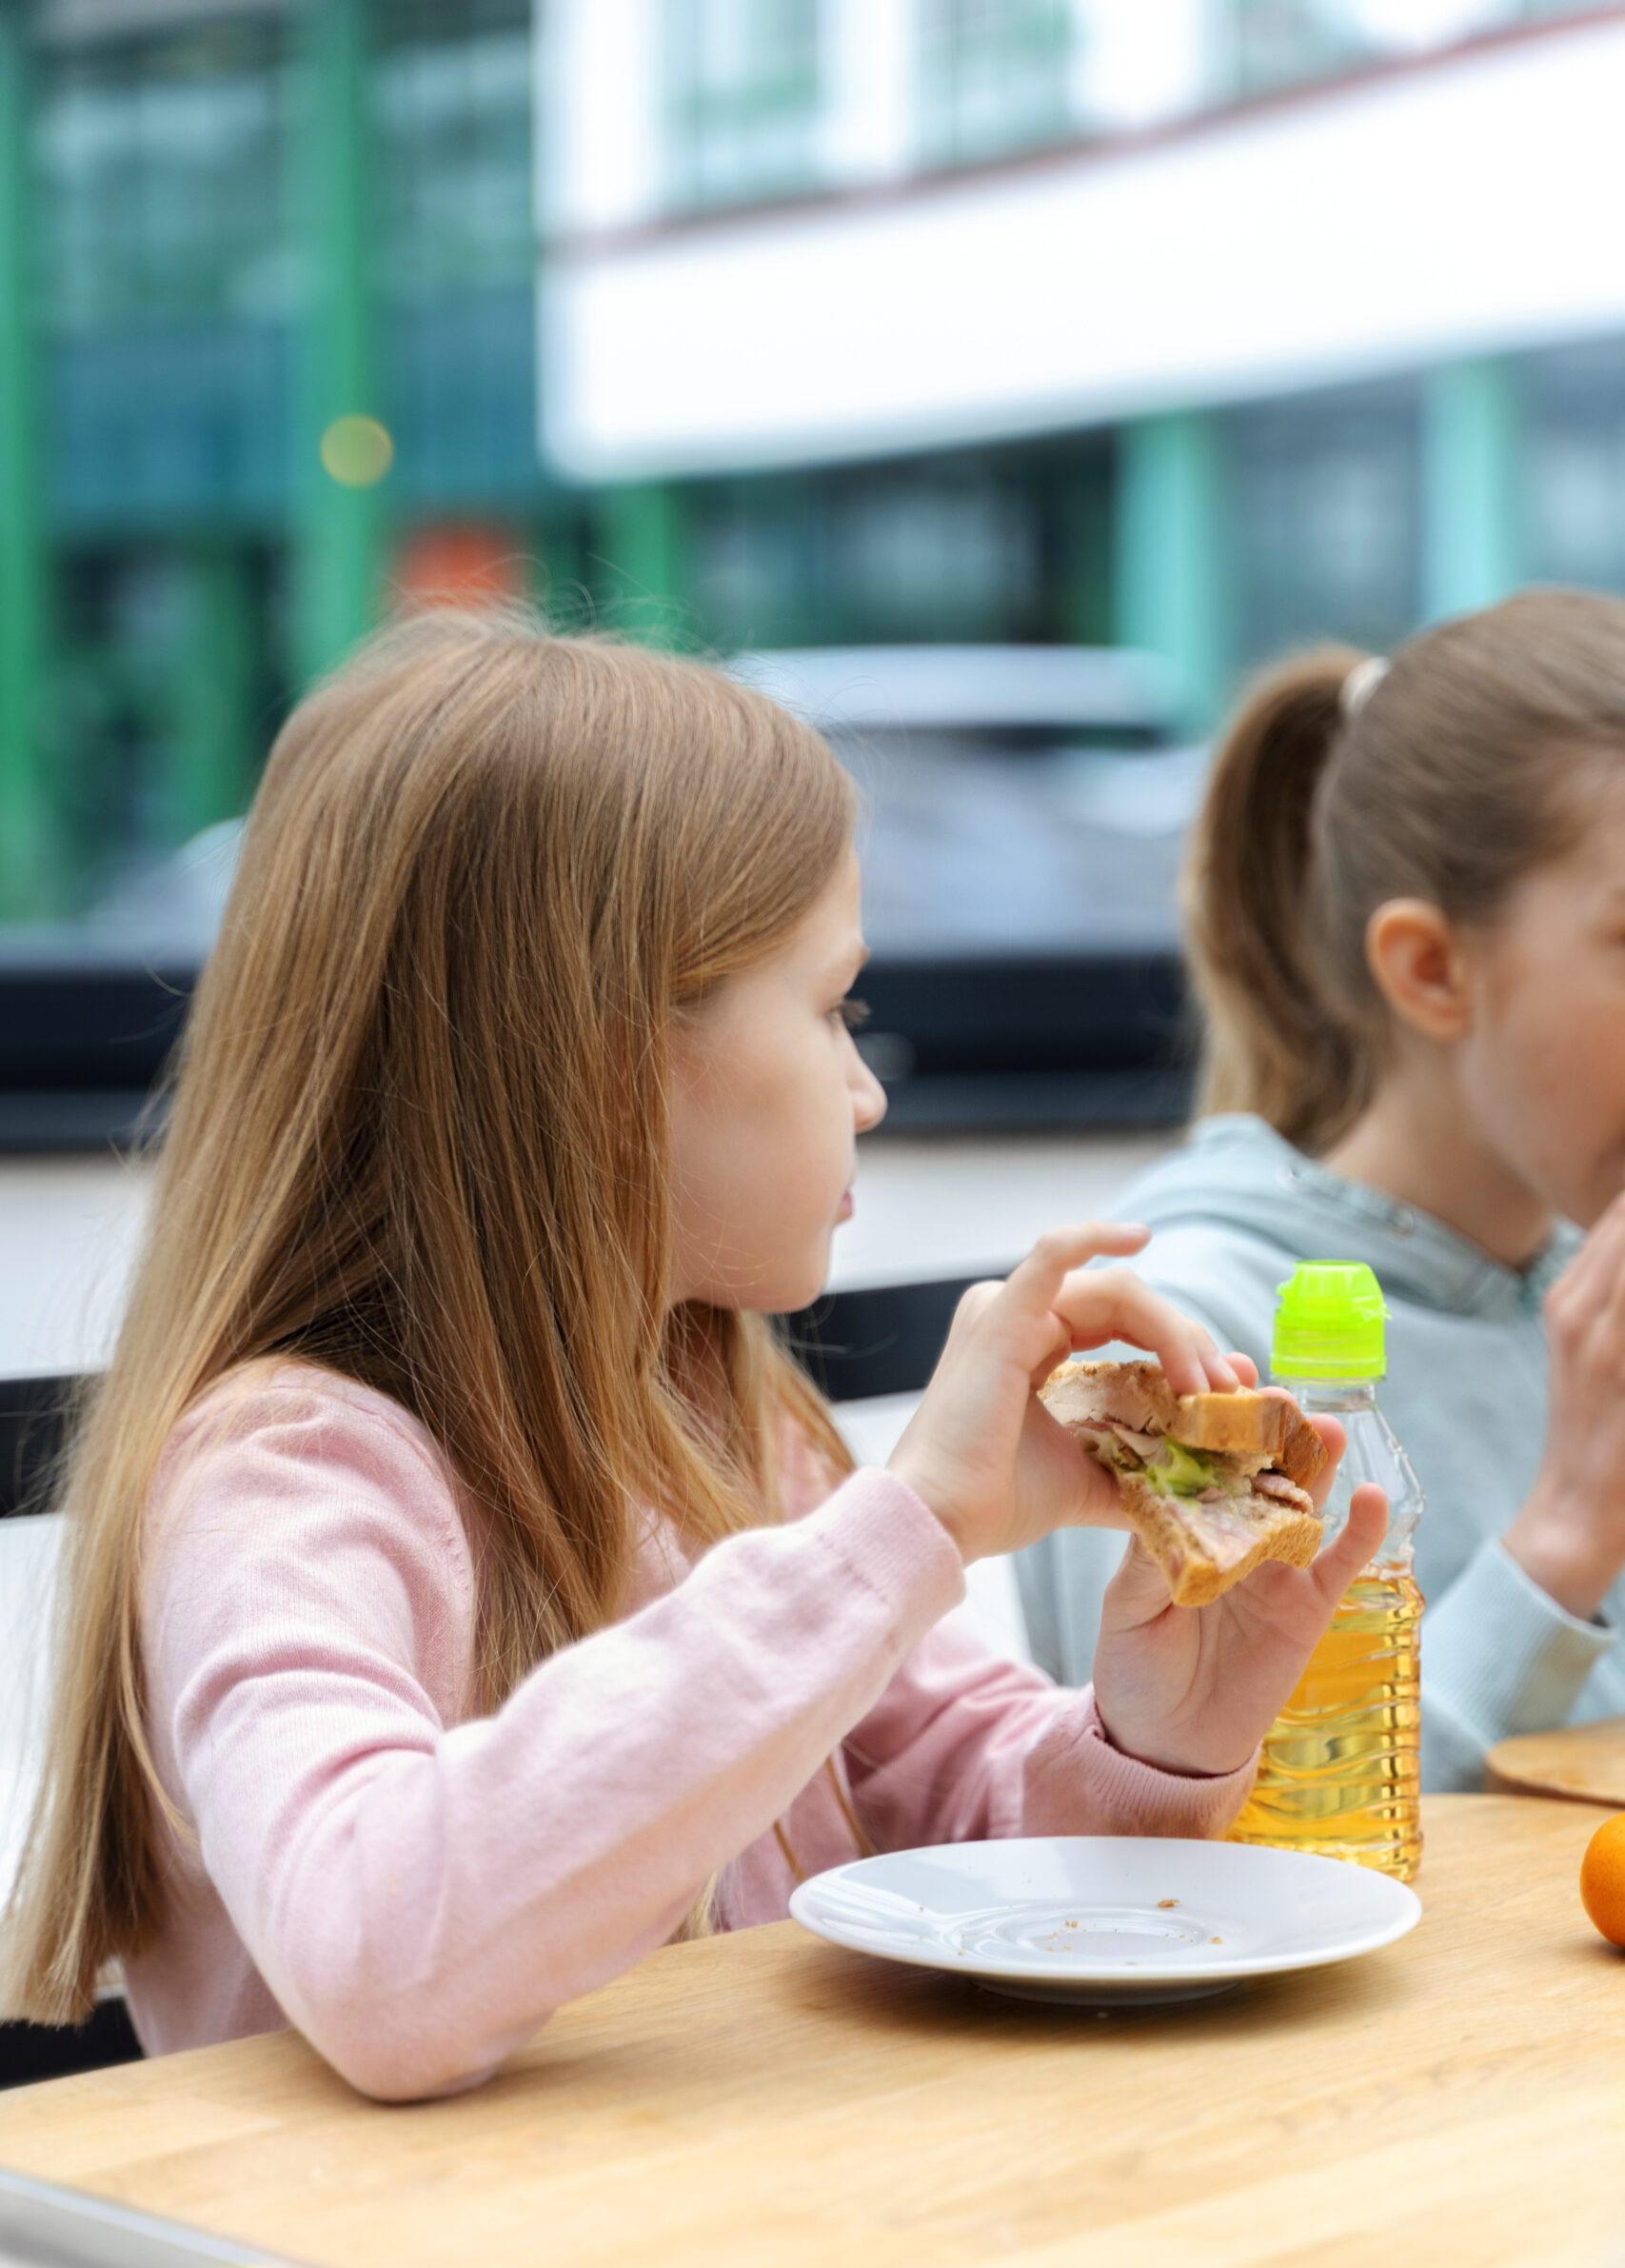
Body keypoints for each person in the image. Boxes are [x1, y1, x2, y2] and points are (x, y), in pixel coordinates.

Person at [0, 614, 1380, 2101]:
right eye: (831, 1004)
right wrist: (900, 1529)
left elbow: (944, 1807)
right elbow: (375, 1960)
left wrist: (1150, 1746)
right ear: (606, 1063)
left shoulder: (726, 1420)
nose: (861, 1088)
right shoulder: (283, 1479)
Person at [1017, 588, 1625, 1793]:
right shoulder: (1185, 1338)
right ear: (1432, 969)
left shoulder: (1569, 1278)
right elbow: (1189, 1853)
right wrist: (1564, 1534)